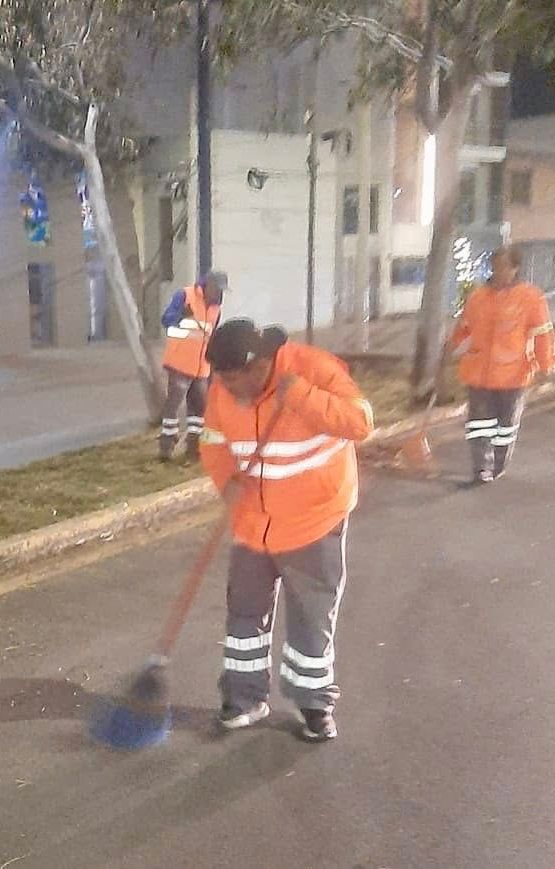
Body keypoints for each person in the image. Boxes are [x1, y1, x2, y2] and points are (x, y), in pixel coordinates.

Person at [199, 319, 374, 742]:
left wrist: (300, 396)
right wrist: (227, 481)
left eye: (236, 380)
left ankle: (314, 703)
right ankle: (244, 699)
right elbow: (212, 438)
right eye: (221, 381)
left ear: (260, 366)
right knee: (244, 614)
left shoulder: (314, 370)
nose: (228, 390)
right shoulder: (223, 387)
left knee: (311, 615)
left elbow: (360, 423)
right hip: (253, 522)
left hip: (312, 519)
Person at [448, 246, 555, 485]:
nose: (498, 271)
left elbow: (542, 335)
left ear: (515, 268)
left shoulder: (531, 298)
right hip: (479, 373)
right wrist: (450, 349)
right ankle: (481, 470)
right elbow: (464, 329)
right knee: (478, 426)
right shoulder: (477, 297)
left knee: (504, 427)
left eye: (504, 266)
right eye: (495, 266)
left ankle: (498, 465)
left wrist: (545, 366)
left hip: (513, 375)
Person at [158, 271, 227, 461]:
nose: (219, 294)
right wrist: (181, 315)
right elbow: (166, 320)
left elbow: (210, 337)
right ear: (208, 285)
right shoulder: (185, 296)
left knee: (198, 409)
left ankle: (194, 446)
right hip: (180, 362)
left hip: (202, 367)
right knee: (173, 405)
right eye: (217, 289)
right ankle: (166, 446)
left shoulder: (216, 309)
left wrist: (213, 365)